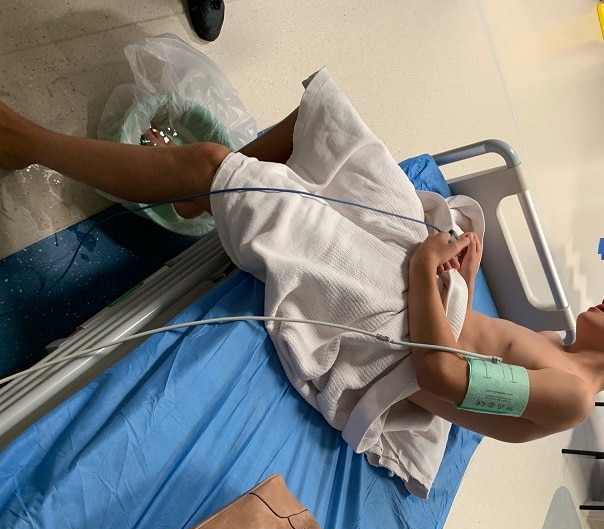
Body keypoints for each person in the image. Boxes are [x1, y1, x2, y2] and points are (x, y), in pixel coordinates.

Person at [0, 92, 600, 447]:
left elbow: (441, 375)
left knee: (218, 165)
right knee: (327, 117)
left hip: (394, 331)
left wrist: (424, 266)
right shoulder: (562, 350)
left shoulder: (571, 395)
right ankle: (196, 194)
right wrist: (462, 276)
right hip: (426, 296)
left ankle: (29, 142)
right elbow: (474, 352)